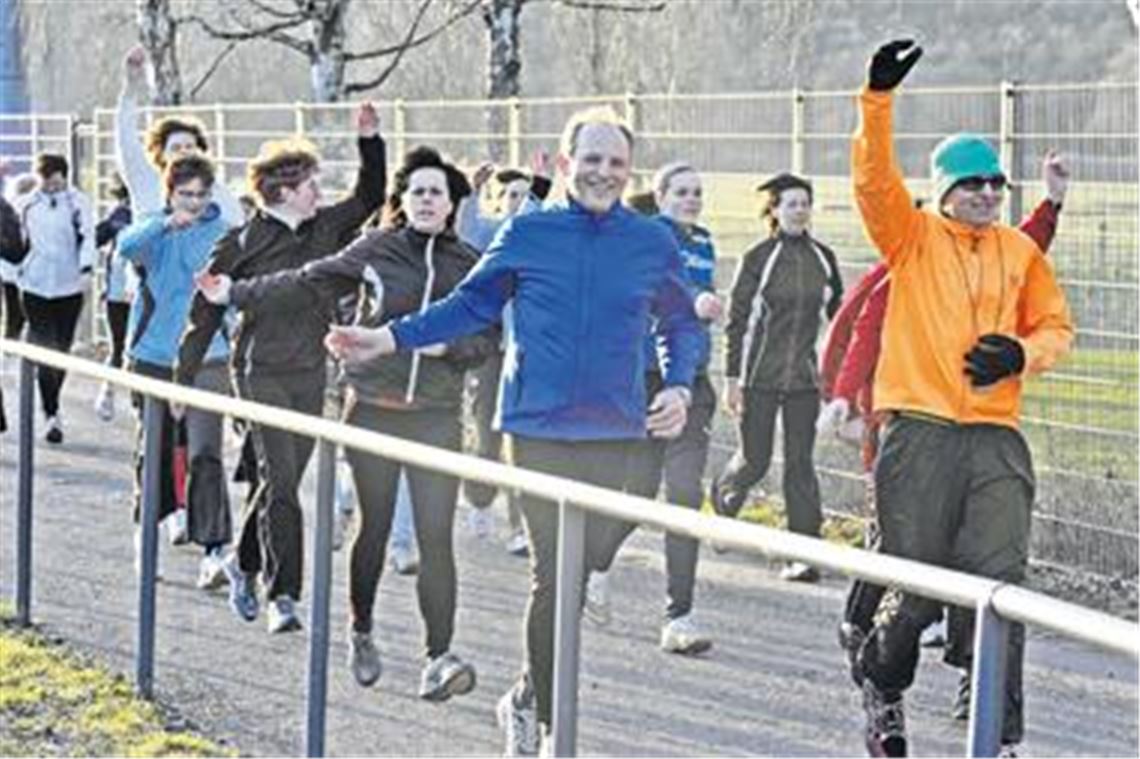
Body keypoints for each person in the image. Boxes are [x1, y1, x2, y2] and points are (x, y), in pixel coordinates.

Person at [323, 106, 702, 756]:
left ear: (629, 170)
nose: (603, 173)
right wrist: (388, 336)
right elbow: (467, 304)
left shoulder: (651, 241)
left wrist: (678, 382)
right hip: (540, 428)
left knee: (583, 570)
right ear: (563, 163)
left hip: (618, 428)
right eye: (591, 159)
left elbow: (680, 321)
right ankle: (551, 725)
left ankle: (525, 690)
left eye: (615, 163)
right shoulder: (529, 233)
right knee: (554, 579)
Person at [198, 145, 495, 701]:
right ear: (402, 202)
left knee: (436, 539)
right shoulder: (377, 248)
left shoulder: (469, 263)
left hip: (437, 417)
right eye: (418, 191)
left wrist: (437, 348)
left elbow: (485, 340)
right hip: (374, 412)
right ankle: (362, 631)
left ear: (454, 203)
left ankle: (438, 656)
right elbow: (306, 280)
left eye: (439, 191)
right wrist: (236, 292)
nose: (429, 200)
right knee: (375, 528)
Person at [851, 40, 1073, 757]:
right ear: (944, 190)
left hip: (993, 436)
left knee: (1000, 583)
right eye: (970, 181)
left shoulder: (1019, 251)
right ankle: (884, 685)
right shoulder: (911, 238)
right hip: (918, 432)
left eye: (995, 183)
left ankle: (1000, 736)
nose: (984, 192)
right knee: (913, 590)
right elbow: (874, 183)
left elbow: (1055, 326)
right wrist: (877, 100)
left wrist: (1022, 353)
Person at [176, 102, 386, 635]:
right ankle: (283, 595)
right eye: (311, 184)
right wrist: (184, 379)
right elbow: (204, 311)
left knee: (279, 482)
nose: (319, 191)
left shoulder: (326, 227)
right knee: (283, 485)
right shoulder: (243, 241)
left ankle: (242, 563)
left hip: (310, 371)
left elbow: (370, 197)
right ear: (284, 190)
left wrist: (370, 141)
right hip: (259, 371)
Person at [710, 171, 844, 582]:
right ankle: (722, 502)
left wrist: (837, 383)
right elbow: (737, 321)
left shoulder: (824, 257)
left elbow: (840, 323)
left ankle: (803, 555)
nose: (800, 210)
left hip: (804, 381)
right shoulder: (758, 259)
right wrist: (733, 380)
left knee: (800, 465)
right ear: (774, 210)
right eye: (791, 203)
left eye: (805, 203)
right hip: (759, 378)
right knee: (755, 460)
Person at [118, 153, 235, 588]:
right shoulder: (154, 231)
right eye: (185, 194)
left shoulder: (222, 233)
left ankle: (214, 550)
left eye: (202, 194)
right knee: (155, 451)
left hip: (208, 356)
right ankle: (145, 540)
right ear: (170, 194)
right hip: (153, 357)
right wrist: (166, 224)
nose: (194, 202)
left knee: (207, 452)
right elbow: (126, 247)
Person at [619, 161, 722, 654]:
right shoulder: (644, 238)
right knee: (637, 491)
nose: (691, 199)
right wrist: (694, 299)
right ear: (659, 197)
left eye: (697, 192)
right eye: (681, 191)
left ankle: (679, 615)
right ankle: (591, 566)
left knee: (684, 493)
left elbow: (699, 309)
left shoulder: (704, 242)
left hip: (692, 385)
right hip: (646, 380)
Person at [455, 152, 552, 555]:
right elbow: (466, 228)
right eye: (509, 195)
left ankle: (520, 528)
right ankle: (478, 498)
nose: (516, 201)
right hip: (490, 352)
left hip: (525, 354)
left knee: (521, 441)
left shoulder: (537, 237)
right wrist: (471, 190)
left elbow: (533, 217)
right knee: (487, 436)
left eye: (522, 195)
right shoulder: (488, 235)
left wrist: (541, 186)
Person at [10, 153, 95, 445]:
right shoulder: (25, 204)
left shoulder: (78, 202)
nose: (52, 187)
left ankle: (51, 399)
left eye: (57, 182)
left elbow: (88, 236)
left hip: (69, 285)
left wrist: (86, 267)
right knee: (46, 345)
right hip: (34, 285)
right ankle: (51, 414)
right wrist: (14, 270)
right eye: (47, 182)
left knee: (62, 349)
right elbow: (13, 241)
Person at [93, 173, 134, 422]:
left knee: (139, 350)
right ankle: (107, 392)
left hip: (147, 293)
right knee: (118, 345)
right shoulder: (119, 213)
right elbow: (97, 238)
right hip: (117, 292)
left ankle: (139, 399)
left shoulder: (160, 209)